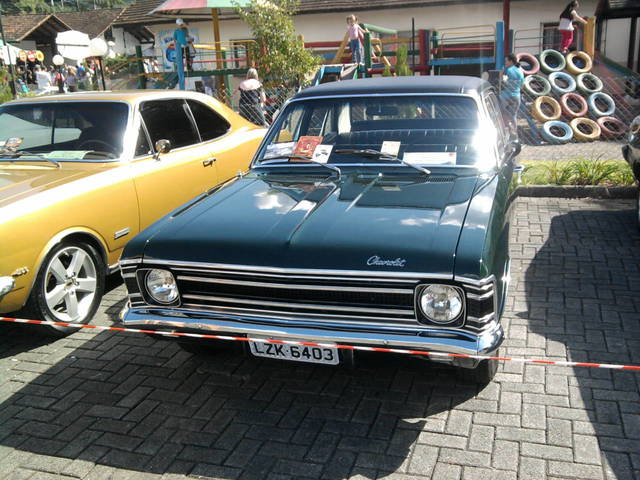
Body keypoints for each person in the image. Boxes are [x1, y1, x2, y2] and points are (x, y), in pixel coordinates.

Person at [500, 53, 525, 136]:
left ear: (511, 61)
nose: (505, 62)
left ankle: (505, 132)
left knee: (502, 114)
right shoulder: (520, 70)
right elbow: (522, 85)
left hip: (505, 96)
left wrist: (502, 73)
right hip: (516, 96)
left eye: (506, 61)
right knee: (513, 115)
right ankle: (514, 133)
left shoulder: (507, 69)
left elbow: (502, 82)